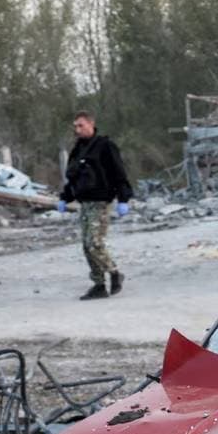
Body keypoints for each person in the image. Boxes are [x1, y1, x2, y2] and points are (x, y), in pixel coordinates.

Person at [61, 110, 132, 300]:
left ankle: (115, 272)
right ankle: (99, 284)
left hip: (101, 202)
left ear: (91, 125)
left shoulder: (105, 146)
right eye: (75, 126)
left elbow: (119, 173)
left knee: (94, 243)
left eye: (81, 125)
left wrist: (123, 199)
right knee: (86, 245)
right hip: (85, 202)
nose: (77, 129)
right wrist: (64, 197)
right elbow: (72, 177)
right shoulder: (77, 150)